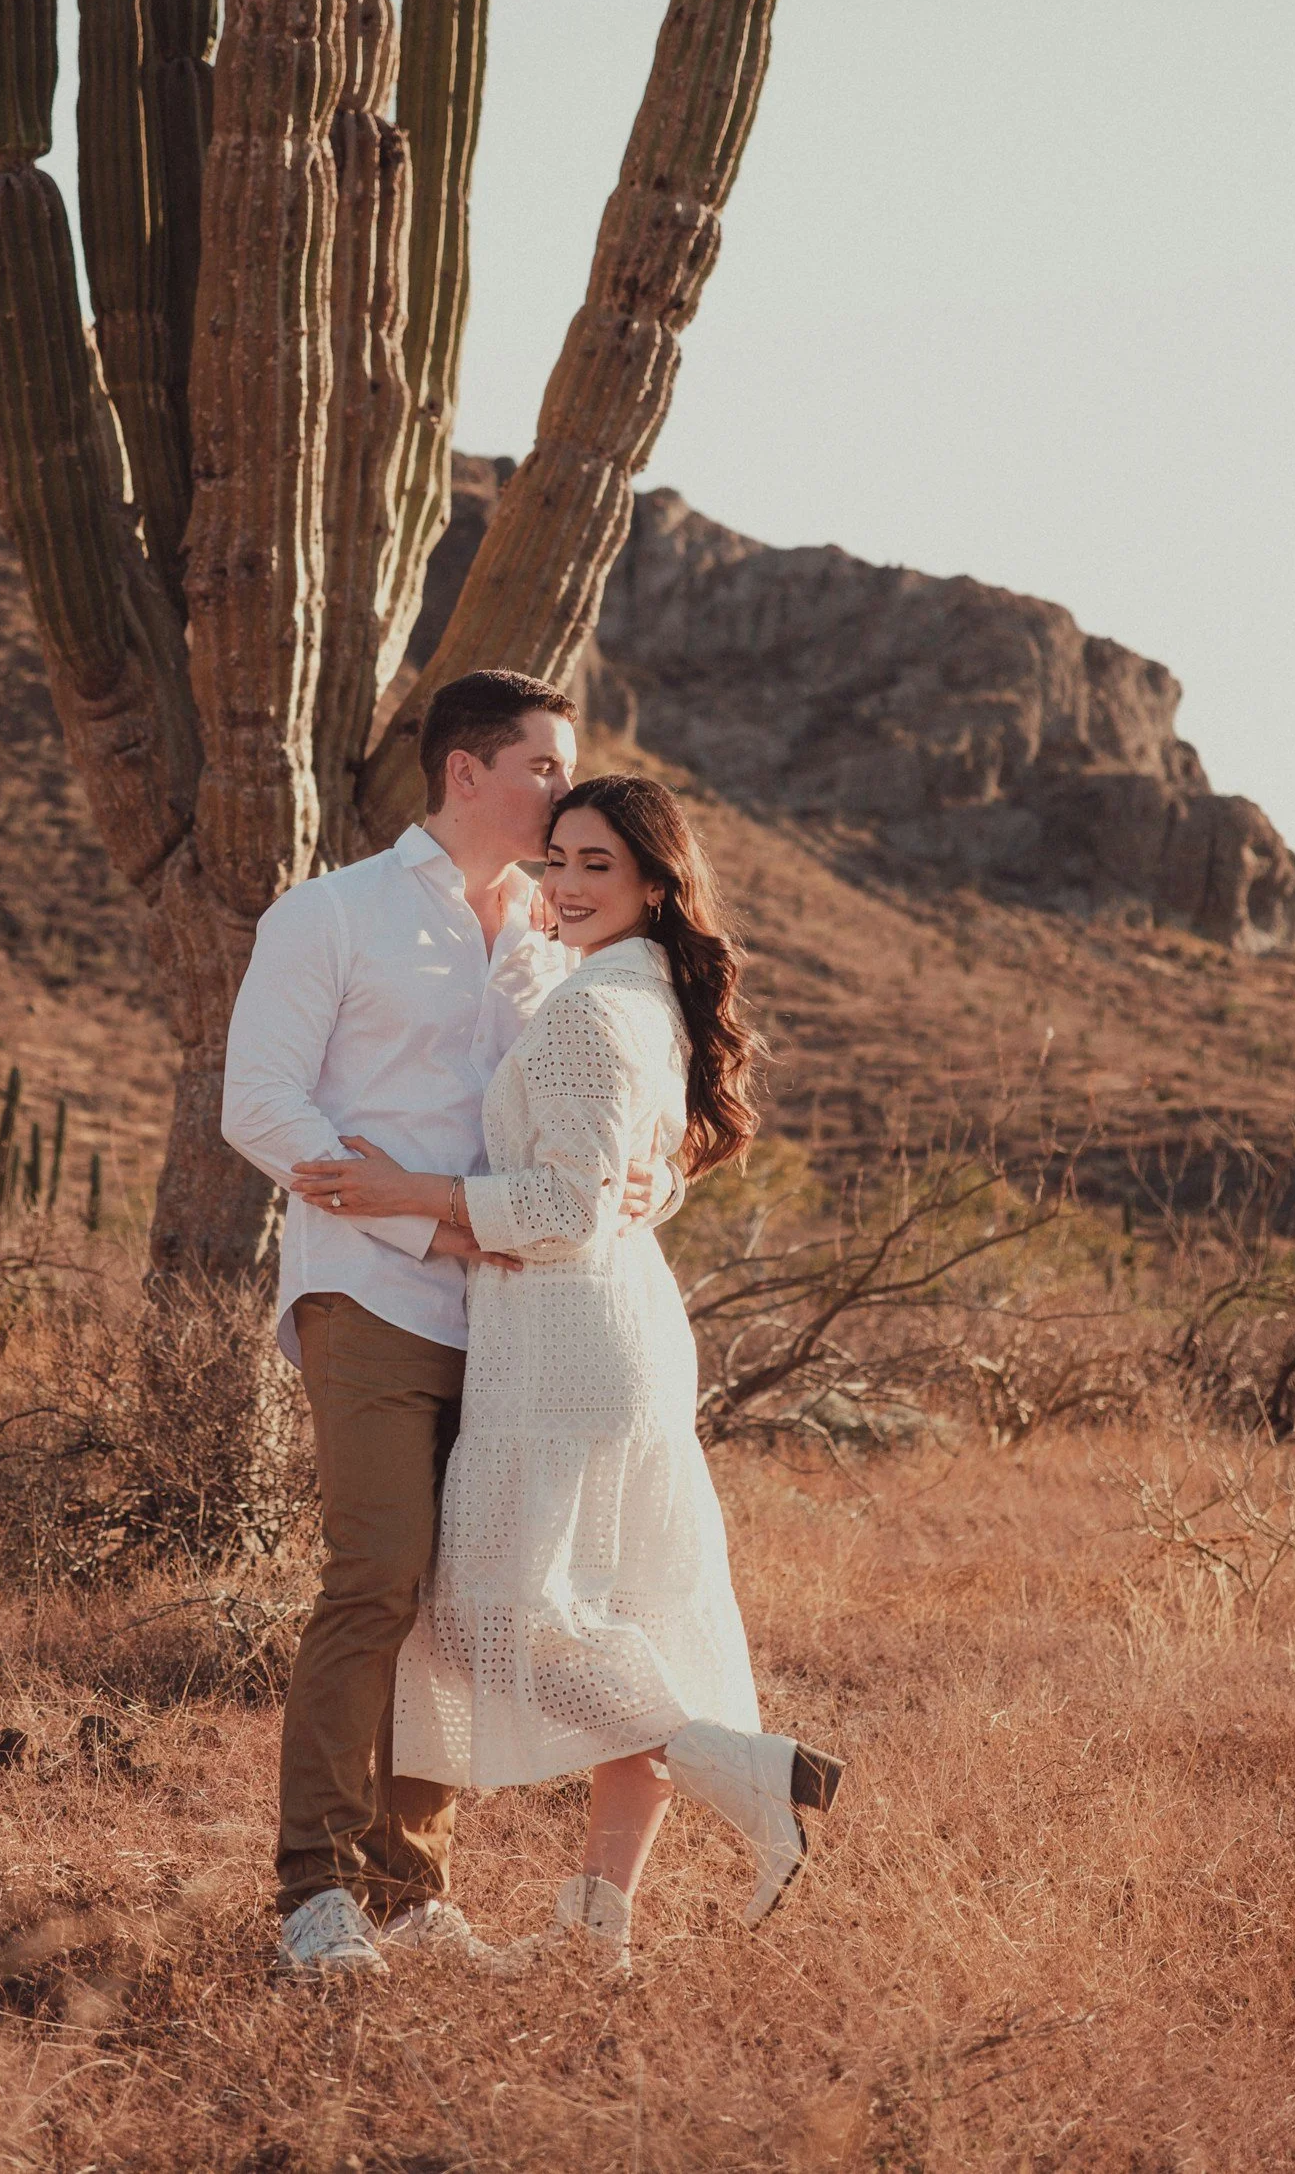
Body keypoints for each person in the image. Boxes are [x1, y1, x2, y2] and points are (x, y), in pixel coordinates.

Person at [293, 773, 844, 1974]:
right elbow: (627, 1171)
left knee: (502, 1612)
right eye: (557, 862)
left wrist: (406, 1194)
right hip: (601, 1326)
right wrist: (625, 1190)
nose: (567, 885)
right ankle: (597, 1929)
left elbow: (563, 1204)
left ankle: (742, 1768)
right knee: (619, 1609)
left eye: (597, 864)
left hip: (563, 1342)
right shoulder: (631, 992)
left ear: (654, 881)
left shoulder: (596, 1008)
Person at [219, 672, 681, 1978]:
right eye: (545, 768)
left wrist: (659, 1177)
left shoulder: (556, 940)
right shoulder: (333, 915)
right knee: (375, 1579)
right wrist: (413, 1220)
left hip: (516, 1320)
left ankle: (408, 1893)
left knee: (463, 1604)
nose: (562, 792)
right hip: (368, 1290)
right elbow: (257, 1102)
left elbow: (616, 1118)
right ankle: (313, 1898)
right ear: (465, 773)